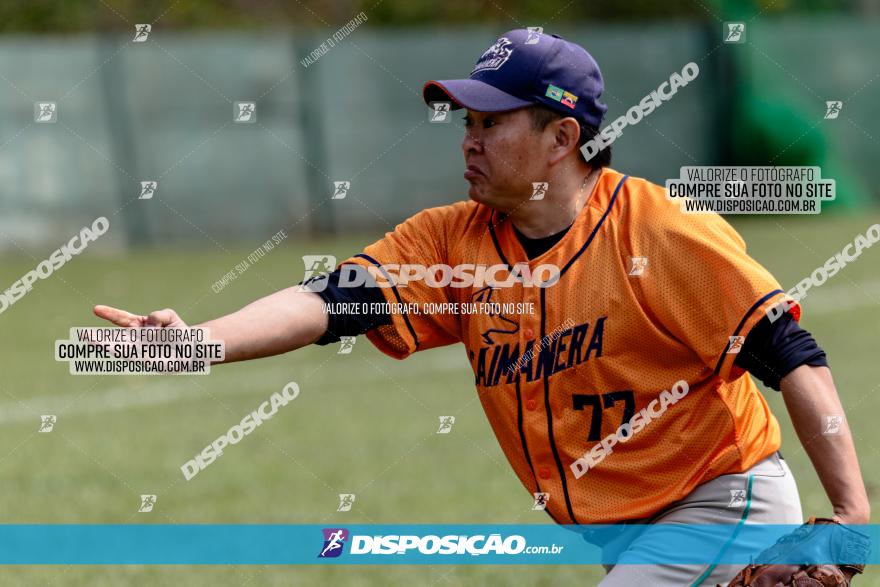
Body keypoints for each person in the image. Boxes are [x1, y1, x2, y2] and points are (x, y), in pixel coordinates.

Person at [94, 28, 869, 585]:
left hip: (721, 503)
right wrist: (199, 340)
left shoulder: (660, 232)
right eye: (467, 121)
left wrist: (849, 519)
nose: (469, 140)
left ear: (563, 135)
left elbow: (794, 356)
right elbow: (325, 302)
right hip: (630, 534)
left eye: (491, 122)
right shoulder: (455, 242)